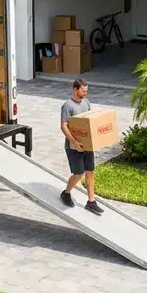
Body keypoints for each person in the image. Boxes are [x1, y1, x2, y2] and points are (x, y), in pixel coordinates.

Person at [59, 78, 103, 215]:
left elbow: (89, 121)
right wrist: (74, 142)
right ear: (75, 89)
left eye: (86, 91)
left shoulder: (86, 103)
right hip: (73, 147)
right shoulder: (67, 106)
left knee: (90, 172)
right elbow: (63, 126)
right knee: (78, 174)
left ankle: (91, 202)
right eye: (83, 91)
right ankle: (66, 193)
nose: (85, 93)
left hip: (87, 145)